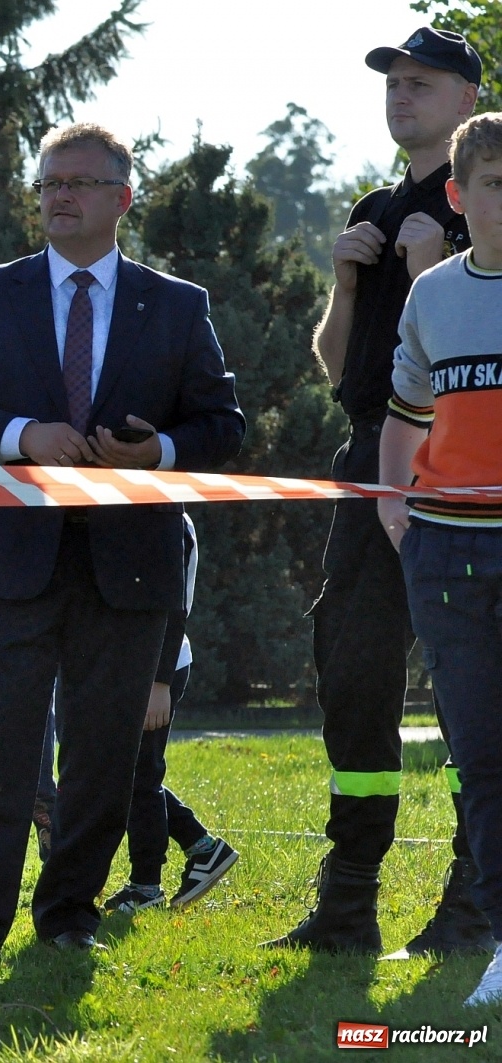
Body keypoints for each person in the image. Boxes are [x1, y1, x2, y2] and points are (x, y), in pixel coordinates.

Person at [0, 122, 244, 956]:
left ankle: (68, 918)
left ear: (122, 199)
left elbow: (223, 424)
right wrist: (23, 433)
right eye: (47, 183)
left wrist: (159, 452)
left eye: (79, 183)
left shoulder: (177, 305)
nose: (59, 196)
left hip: (129, 569)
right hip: (6, 563)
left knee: (104, 759)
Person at [268, 26, 484, 956]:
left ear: (469, 99)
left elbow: (474, 349)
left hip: (471, 467)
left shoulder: (488, 205)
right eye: (393, 83)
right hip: (369, 459)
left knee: (478, 684)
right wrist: (347, 284)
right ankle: (348, 900)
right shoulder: (377, 205)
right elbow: (338, 367)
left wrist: (434, 262)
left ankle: (474, 905)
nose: (401, 95)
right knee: (351, 670)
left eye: (422, 83)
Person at [376, 110, 502, 1005]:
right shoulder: (433, 295)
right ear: (459, 196)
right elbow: (403, 414)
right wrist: (394, 508)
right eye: (494, 181)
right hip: (446, 553)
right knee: (483, 758)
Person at [102, 516, 240, 915]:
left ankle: (146, 886)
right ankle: (204, 849)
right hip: (131, 669)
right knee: (131, 774)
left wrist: (158, 682)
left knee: (140, 777)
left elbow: (174, 605)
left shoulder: (170, 520)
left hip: (154, 672)